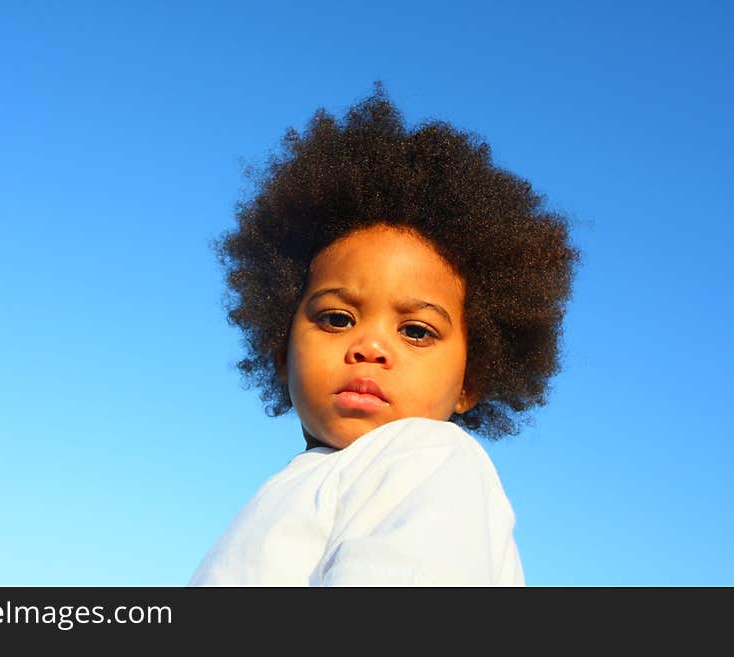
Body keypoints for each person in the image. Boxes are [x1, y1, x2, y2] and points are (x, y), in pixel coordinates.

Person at [189, 83, 579, 586]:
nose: (369, 347)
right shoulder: (308, 480)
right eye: (336, 319)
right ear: (281, 350)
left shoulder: (429, 457)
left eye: (416, 331)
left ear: (470, 382)